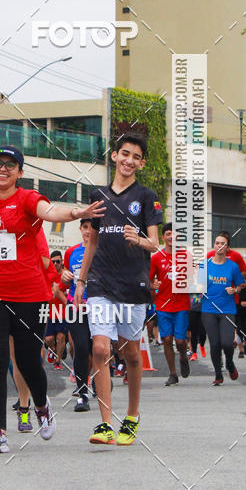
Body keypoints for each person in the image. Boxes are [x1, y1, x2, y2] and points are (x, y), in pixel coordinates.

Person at [0, 109, 105, 453]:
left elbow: (50, 212)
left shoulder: (28, 199)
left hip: (29, 294)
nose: (2, 169)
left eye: (9, 165)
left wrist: (76, 213)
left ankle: (43, 406)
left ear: (19, 172)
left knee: (29, 361)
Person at [75, 132, 162, 446]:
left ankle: (133, 415)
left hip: (133, 285)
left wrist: (138, 239)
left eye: (136, 157)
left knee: (131, 354)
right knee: (100, 348)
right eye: (125, 153)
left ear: (141, 163)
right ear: (114, 156)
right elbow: (92, 243)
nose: (129, 160)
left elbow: (155, 243)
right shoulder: (98, 195)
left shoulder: (147, 196)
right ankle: (105, 424)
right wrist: (81, 282)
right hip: (100, 282)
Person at [199, 233, 245, 385]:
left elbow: (241, 284)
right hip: (208, 309)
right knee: (214, 343)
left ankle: (230, 364)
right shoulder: (204, 265)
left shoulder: (232, 266)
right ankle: (218, 375)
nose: (219, 246)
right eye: (217, 243)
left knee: (226, 342)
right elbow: (197, 286)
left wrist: (235, 290)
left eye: (223, 243)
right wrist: (198, 290)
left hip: (227, 309)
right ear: (214, 245)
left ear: (227, 248)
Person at [149, 223, 191, 386]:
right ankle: (173, 373)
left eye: (174, 234)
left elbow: (194, 278)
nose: (171, 237)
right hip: (163, 305)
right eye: (168, 234)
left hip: (181, 305)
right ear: (163, 237)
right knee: (166, 339)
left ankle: (183, 357)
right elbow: (149, 279)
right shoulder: (156, 258)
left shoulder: (185, 256)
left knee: (180, 341)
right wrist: (153, 286)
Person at [61, 219, 94, 412]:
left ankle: (100, 381)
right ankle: (82, 392)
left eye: (92, 227)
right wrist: (64, 276)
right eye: (85, 227)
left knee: (98, 348)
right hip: (76, 305)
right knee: (80, 346)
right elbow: (65, 279)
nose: (88, 231)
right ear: (80, 229)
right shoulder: (71, 252)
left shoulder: (103, 250)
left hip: (99, 306)